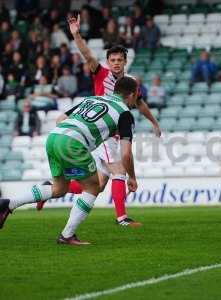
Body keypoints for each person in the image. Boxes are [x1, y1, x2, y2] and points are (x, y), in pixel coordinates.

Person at [48, 14, 160, 227]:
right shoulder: (101, 74)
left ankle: (50, 189)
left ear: (125, 62)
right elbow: (87, 54)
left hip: (114, 133)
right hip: (104, 133)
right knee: (119, 171)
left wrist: (154, 122)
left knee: (98, 185)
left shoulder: (129, 83)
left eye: (119, 60)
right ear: (108, 62)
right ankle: (122, 218)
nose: (116, 63)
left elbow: (140, 104)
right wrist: (76, 34)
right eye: (113, 60)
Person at [0, 76, 140, 245]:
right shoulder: (125, 113)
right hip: (73, 144)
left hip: (54, 137)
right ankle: (67, 235)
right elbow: (125, 154)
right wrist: (131, 177)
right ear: (132, 94)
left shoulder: (94, 98)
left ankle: (8, 204)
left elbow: (60, 119)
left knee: (59, 188)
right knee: (93, 186)